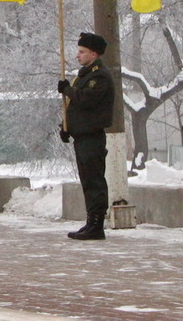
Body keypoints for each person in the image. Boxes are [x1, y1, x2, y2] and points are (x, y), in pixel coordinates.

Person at [58, 31, 114, 240]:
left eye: (82, 52)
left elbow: (86, 100)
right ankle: (91, 221)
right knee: (87, 180)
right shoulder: (85, 75)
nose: (77, 55)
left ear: (93, 53)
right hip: (82, 136)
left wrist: (68, 90)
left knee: (94, 181)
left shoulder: (99, 75)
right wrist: (66, 127)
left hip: (92, 136)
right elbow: (76, 109)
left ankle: (97, 224)